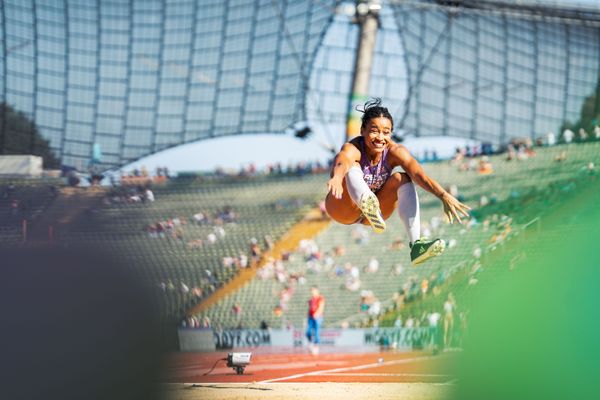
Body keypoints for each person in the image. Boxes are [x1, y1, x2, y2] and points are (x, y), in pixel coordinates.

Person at [325, 99, 470, 265]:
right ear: (362, 130)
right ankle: (365, 200)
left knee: (403, 178)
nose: (380, 137)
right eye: (374, 131)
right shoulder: (354, 148)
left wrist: (443, 195)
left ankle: (416, 245)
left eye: (386, 132)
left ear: (391, 133)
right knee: (352, 166)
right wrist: (336, 177)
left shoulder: (395, 151)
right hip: (343, 208)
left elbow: (418, 174)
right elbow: (342, 161)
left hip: (376, 213)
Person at [306, 286, 325, 354]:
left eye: (313, 290)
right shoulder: (311, 299)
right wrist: (308, 316)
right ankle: (311, 344)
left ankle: (316, 347)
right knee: (308, 332)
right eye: (311, 291)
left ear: (317, 291)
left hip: (318, 317)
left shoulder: (320, 298)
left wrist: (316, 314)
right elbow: (310, 308)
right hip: (310, 317)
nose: (312, 292)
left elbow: (321, 307)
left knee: (316, 332)